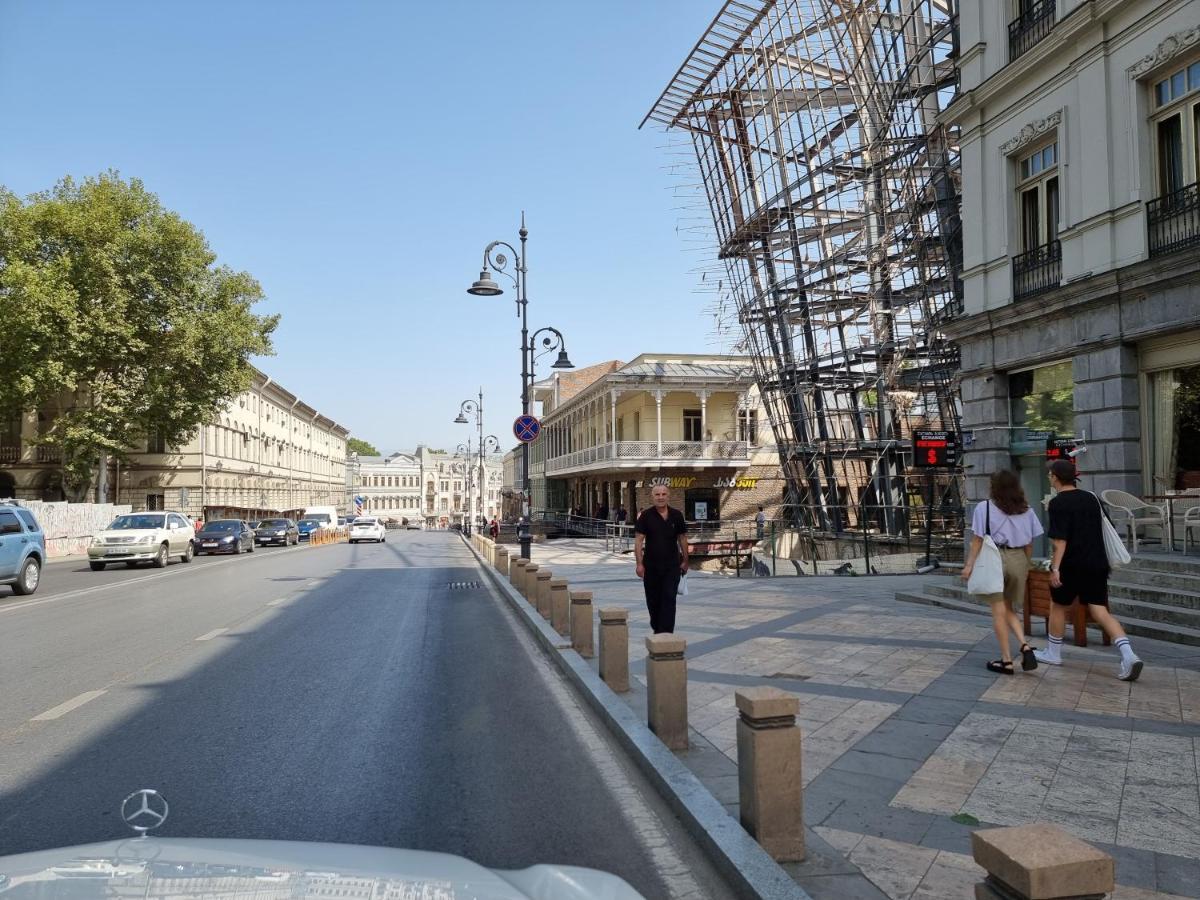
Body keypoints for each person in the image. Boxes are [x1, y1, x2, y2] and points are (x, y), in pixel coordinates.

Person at [1035, 460, 1143, 680]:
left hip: (1071, 565)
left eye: (1049, 474)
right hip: (1097, 563)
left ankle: (1053, 653)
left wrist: (1055, 568)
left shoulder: (1058, 503)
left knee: (1058, 606)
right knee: (1099, 610)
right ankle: (1128, 654)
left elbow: (1060, 541)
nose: (1048, 477)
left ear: (1055, 476)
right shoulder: (1091, 498)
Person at [961, 470, 1043, 675]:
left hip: (994, 558)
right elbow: (1030, 543)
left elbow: (977, 540)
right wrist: (1026, 564)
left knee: (998, 611)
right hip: (1018, 559)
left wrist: (969, 565)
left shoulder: (984, 508)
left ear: (994, 487)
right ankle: (1024, 645)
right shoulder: (1027, 510)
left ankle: (1006, 660)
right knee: (1009, 608)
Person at [635, 485, 689, 633]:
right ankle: (657, 628)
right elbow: (639, 540)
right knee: (653, 600)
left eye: (663, 494)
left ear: (668, 496)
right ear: (653, 497)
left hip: (672, 566)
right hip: (651, 566)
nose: (660, 497)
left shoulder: (677, 515)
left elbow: (682, 538)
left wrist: (685, 560)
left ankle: (666, 633)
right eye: (657, 494)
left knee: (669, 599)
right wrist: (639, 564)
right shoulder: (646, 516)